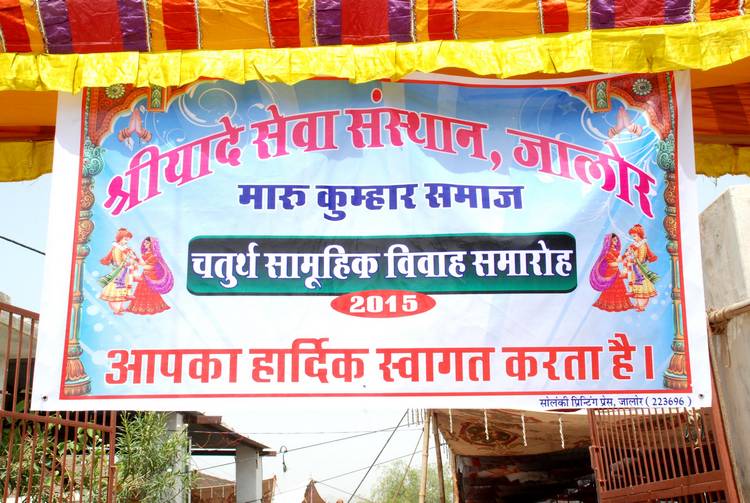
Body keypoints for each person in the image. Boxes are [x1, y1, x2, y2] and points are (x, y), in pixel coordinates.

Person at [126, 236, 174, 315]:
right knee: (141, 292)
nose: (145, 244)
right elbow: (143, 263)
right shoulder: (148, 252)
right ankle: (142, 307)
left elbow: (144, 264)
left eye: (147, 243)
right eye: (145, 243)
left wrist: (134, 257)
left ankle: (151, 307)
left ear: (152, 244)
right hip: (145, 274)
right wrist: (134, 257)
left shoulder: (153, 255)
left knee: (151, 292)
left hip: (150, 276)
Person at [589, 233, 633, 312]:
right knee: (611, 289)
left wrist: (626, 254)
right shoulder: (608, 251)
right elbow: (617, 260)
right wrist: (625, 255)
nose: (616, 241)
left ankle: (619, 304)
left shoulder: (614, 250)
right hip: (610, 272)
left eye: (616, 240)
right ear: (610, 240)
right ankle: (609, 304)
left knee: (619, 288)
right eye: (614, 240)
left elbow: (619, 260)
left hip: (616, 270)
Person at [99, 228, 137, 315]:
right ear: (120, 238)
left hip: (124, 271)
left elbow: (130, 258)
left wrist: (131, 261)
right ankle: (116, 310)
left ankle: (120, 308)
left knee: (122, 289)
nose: (126, 242)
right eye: (125, 239)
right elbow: (118, 261)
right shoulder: (117, 248)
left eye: (127, 240)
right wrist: (127, 263)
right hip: (120, 271)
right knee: (117, 290)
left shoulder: (124, 248)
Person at [623, 224, 658, 311]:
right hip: (634, 268)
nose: (633, 238)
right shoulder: (635, 245)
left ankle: (641, 306)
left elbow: (641, 259)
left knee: (641, 287)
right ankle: (638, 304)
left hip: (638, 269)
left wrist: (632, 260)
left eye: (635, 236)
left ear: (639, 235)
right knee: (636, 286)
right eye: (632, 236)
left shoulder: (642, 245)